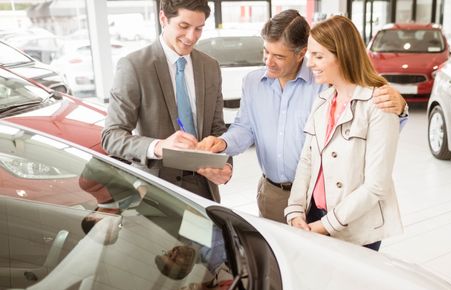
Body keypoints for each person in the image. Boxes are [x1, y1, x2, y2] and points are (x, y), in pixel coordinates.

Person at [197, 9, 407, 223]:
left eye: (278, 56)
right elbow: (245, 128)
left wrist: (399, 108)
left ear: (300, 53)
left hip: (320, 195)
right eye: (266, 52)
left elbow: (367, 122)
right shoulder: (252, 82)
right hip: (274, 193)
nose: (268, 61)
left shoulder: (324, 81)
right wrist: (222, 143)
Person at [284, 16, 404, 251]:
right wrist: (296, 210)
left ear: (344, 55)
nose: (310, 63)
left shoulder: (379, 104)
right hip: (313, 215)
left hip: (354, 227)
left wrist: (326, 225)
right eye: (310, 55)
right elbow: (306, 162)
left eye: (318, 56)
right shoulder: (322, 101)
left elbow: (376, 186)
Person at [101, 0, 231, 203]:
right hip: (156, 191)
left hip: (205, 189)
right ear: (163, 18)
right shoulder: (134, 66)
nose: (191, 37)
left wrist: (226, 165)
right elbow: (111, 136)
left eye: (199, 29)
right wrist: (159, 146)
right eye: (184, 26)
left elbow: (218, 129)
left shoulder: (210, 66)